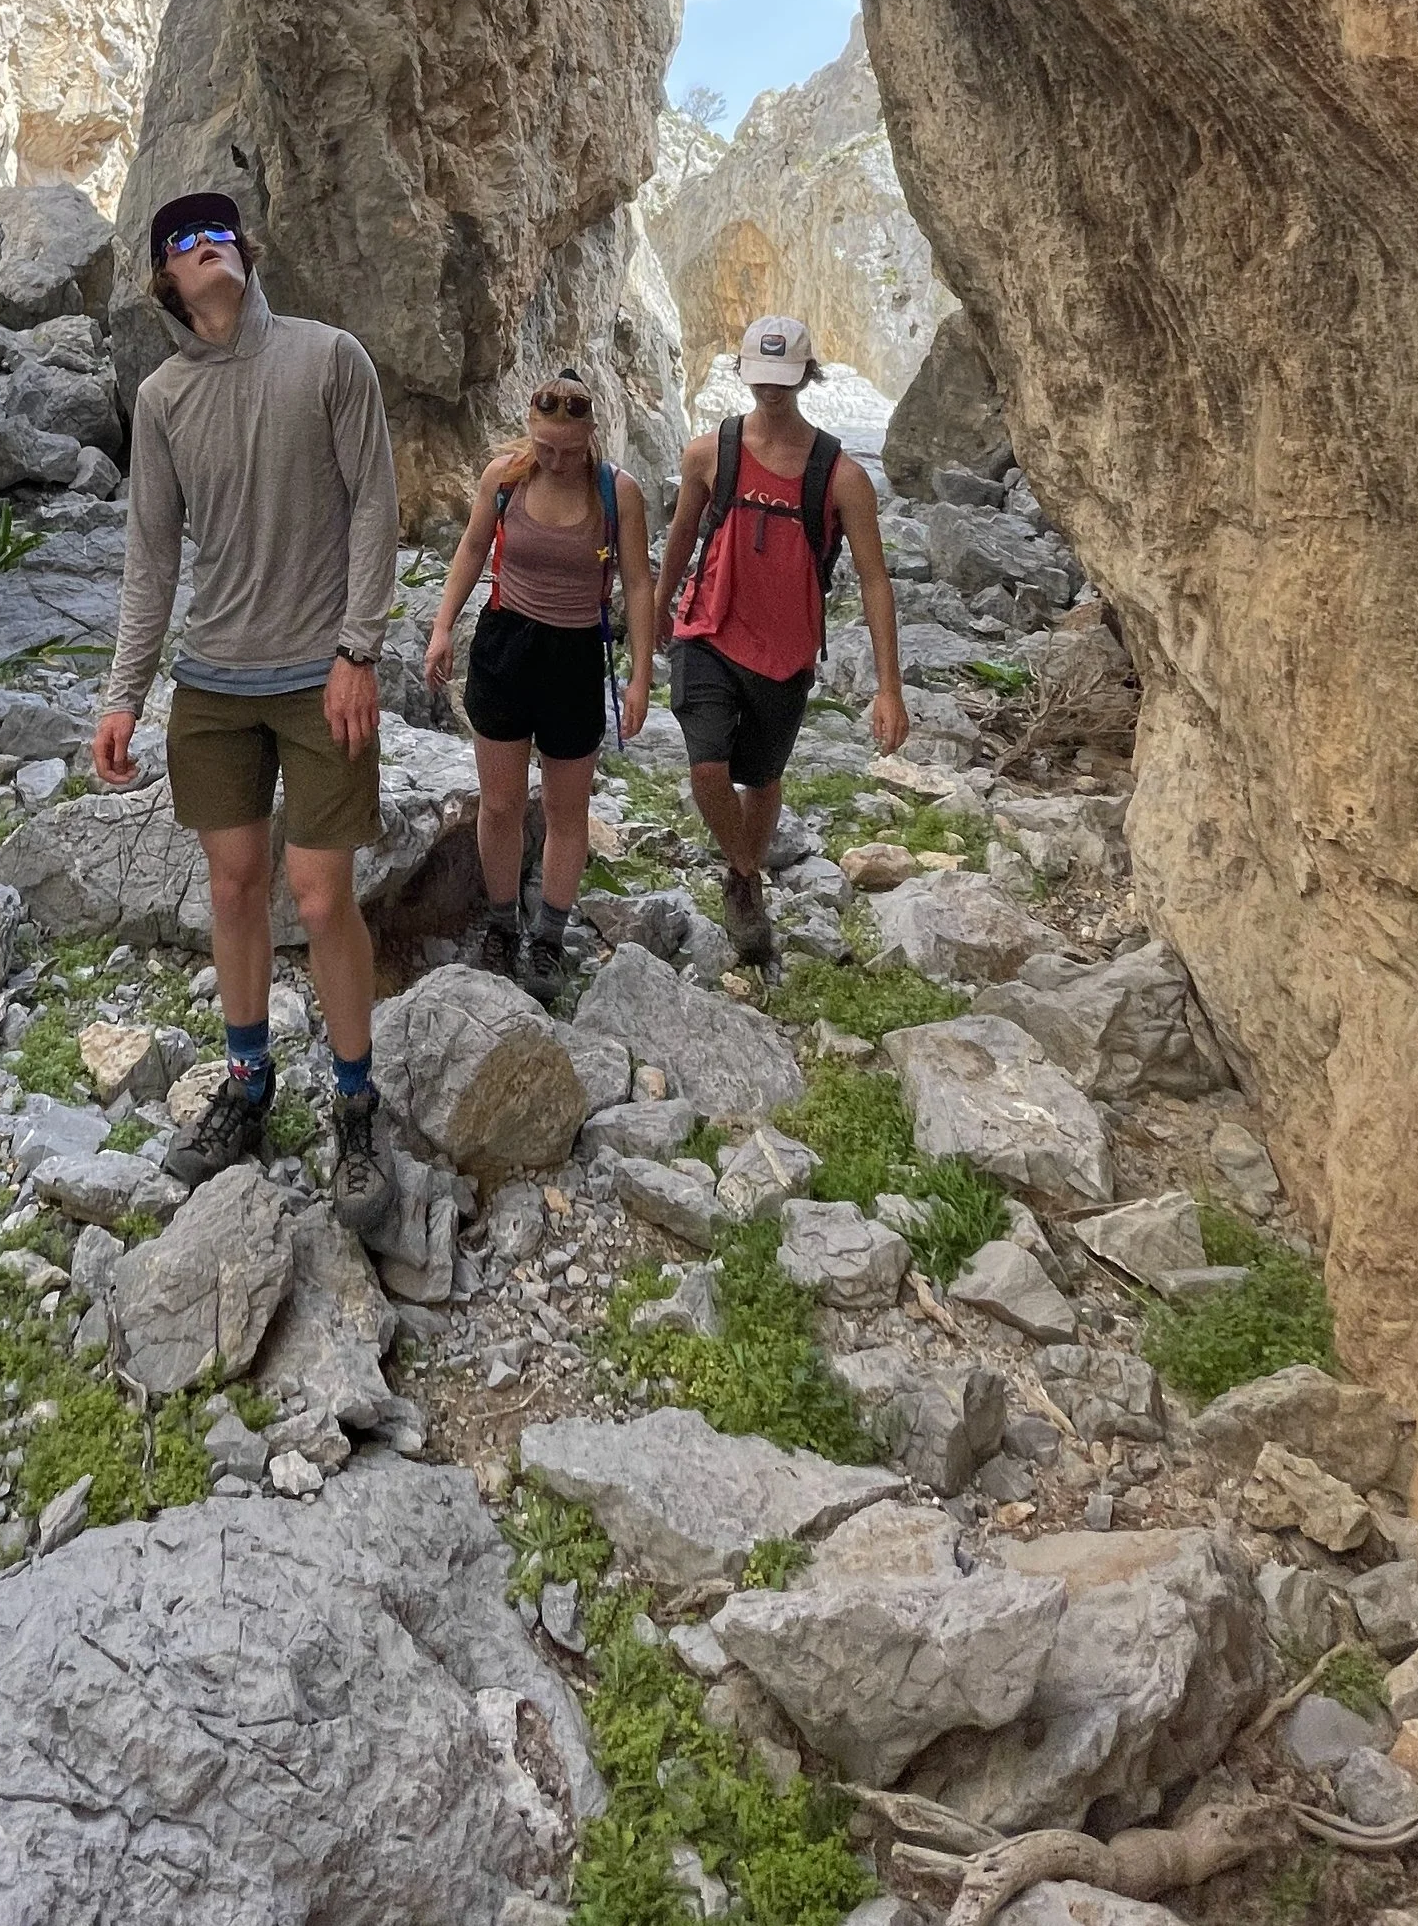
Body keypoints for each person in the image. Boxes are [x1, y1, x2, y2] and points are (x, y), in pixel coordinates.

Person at [91, 190, 399, 1236]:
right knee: (232, 886)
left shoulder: (328, 359)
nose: (202, 245)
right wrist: (123, 694)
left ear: (245, 252)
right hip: (214, 684)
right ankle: (249, 1077)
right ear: (166, 280)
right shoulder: (164, 398)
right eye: (180, 241)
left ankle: (356, 1099)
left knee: (319, 900)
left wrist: (361, 650)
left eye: (217, 230)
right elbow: (151, 556)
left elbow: (374, 504)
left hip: (321, 678)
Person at [653, 311, 908, 966]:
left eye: (783, 378)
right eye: (761, 376)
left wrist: (889, 688)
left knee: (762, 780)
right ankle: (747, 876)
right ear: (745, 373)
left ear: (804, 376)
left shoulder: (842, 476)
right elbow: (683, 534)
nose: (771, 390)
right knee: (708, 766)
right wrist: (658, 606)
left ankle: (740, 878)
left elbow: (876, 581)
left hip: (786, 651)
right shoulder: (710, 453)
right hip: (707, 627)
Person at [420, 371, 656, 1000]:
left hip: (577, 656)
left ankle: (548, 936)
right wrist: (443, 628)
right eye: (544, 447)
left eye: (567, 450)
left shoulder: (617, 495)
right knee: (499, 804)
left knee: (564, 809)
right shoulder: (505, 478)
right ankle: (502, 922)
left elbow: (638, 584)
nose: (554, 460)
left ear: (590, 436)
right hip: (506, 645)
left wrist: (640, 675)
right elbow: (472, 550)